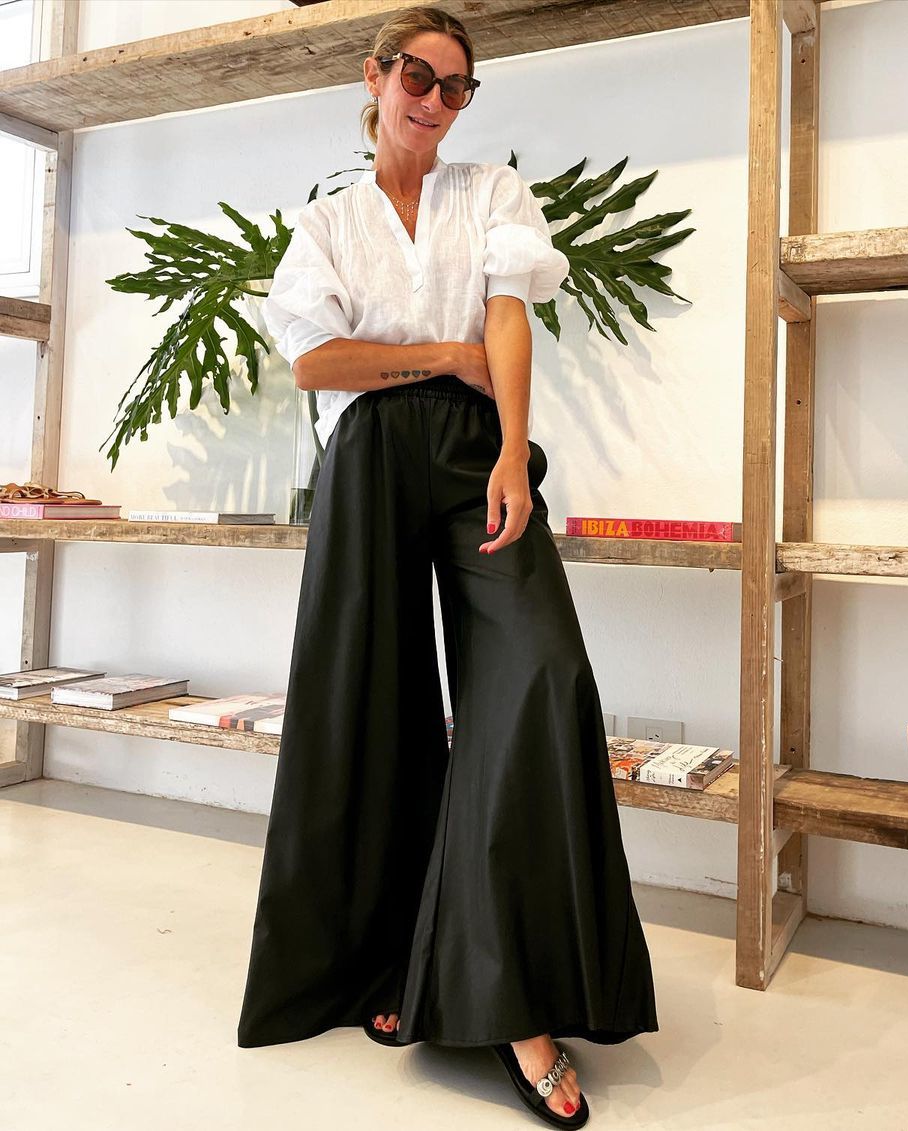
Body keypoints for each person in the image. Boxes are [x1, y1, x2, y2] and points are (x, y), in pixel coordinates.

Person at [236, 6, 658, 1126]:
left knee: (539, 675)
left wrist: (514, 450)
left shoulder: (491, 194)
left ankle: (513, 996)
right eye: (418, 77)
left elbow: (509, 318)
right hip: (370, 457)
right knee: (369, 707)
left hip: (478, 454)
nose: (435, 99)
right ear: (376, 77)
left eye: (457, 86)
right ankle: (394, 964)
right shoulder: (328, 222)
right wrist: (440, 354)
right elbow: (315, 360)